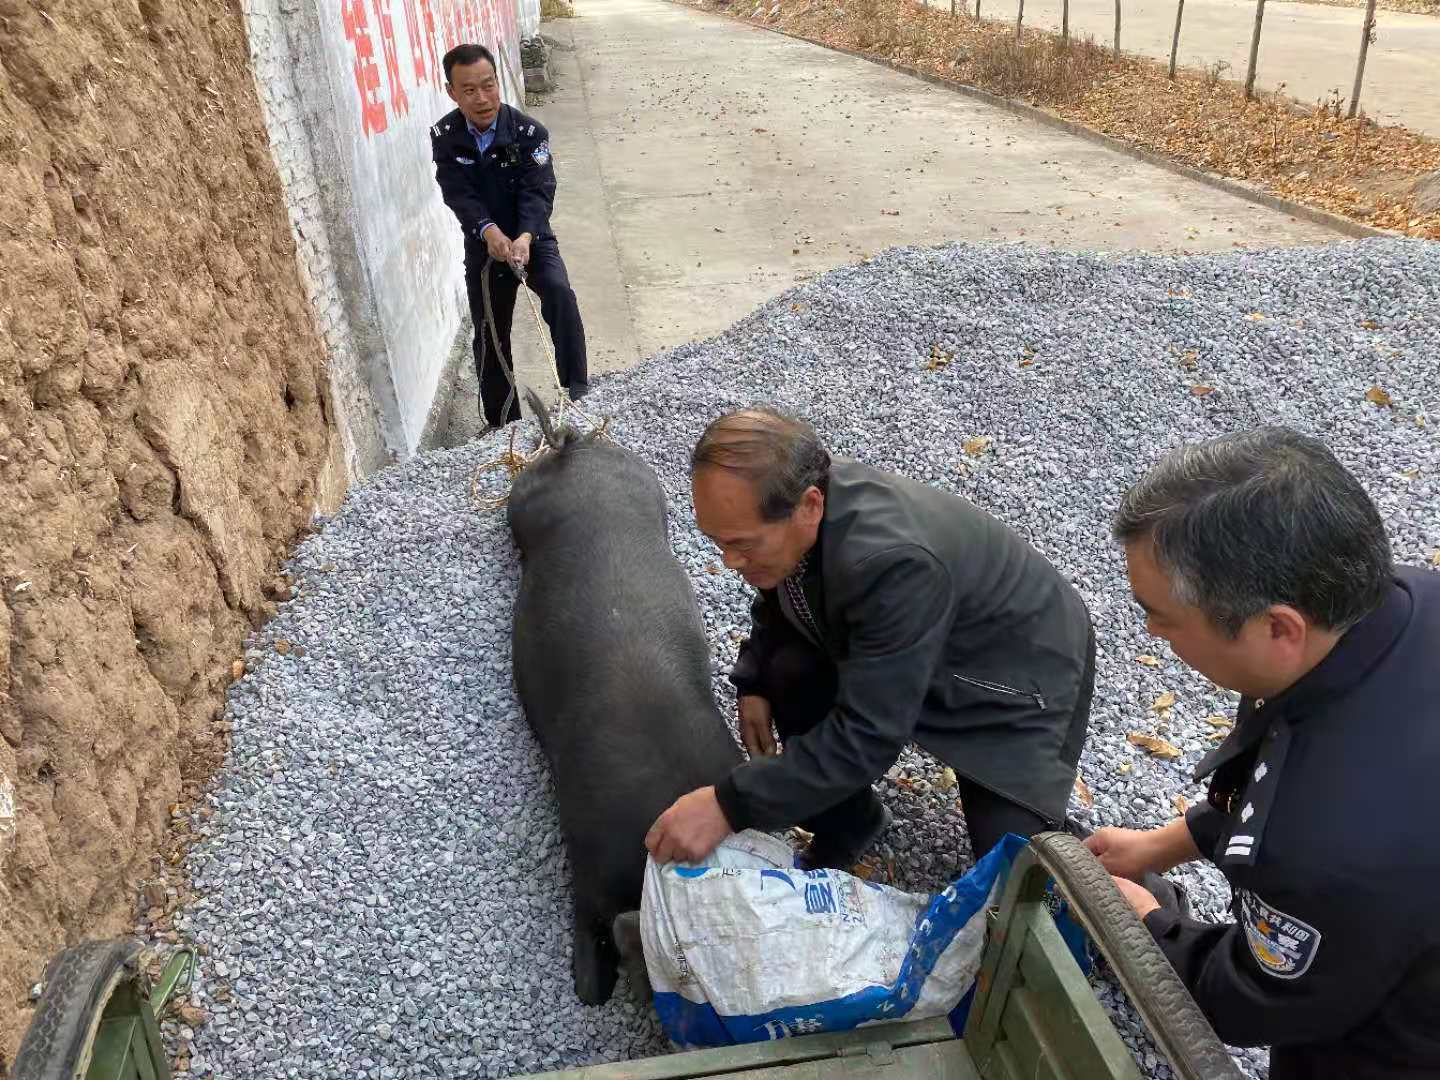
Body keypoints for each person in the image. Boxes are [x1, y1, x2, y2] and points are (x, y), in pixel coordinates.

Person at [1086, 427, 1440, 1079]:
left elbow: (1256, 1000)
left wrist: (1148, 924)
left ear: (1278, 628)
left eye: (1161, 615)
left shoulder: (1332, 846)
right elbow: (1264, 778)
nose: (1149, 631)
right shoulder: (1395, 605)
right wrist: (1157, 847)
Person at [644, 407, 1096, 871]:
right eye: (717, 543)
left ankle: (1152, 912)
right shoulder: (796, 504)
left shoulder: (892, 564)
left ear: (810, 505)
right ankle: (849, 821)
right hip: (922, 641)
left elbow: (868, 736)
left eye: (742, 544)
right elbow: (781, 591)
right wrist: (755, 677)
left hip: (1016, 675)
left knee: (1019, 866)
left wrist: (726, 803)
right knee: (786, 668)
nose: (730, 562)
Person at [430, 44, 588, 429]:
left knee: (559, 294)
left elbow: (540, 189)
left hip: (532, 239)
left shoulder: (529, 133)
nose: (482, 98)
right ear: (452, 92)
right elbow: (458, 193)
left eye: (488, 85)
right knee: (489, 331)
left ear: (497, 82)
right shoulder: (446, 136)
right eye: (469, 90)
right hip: (485, 246)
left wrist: (525, 236)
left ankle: (580, 391)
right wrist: (488, 232)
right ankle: (504, 422)